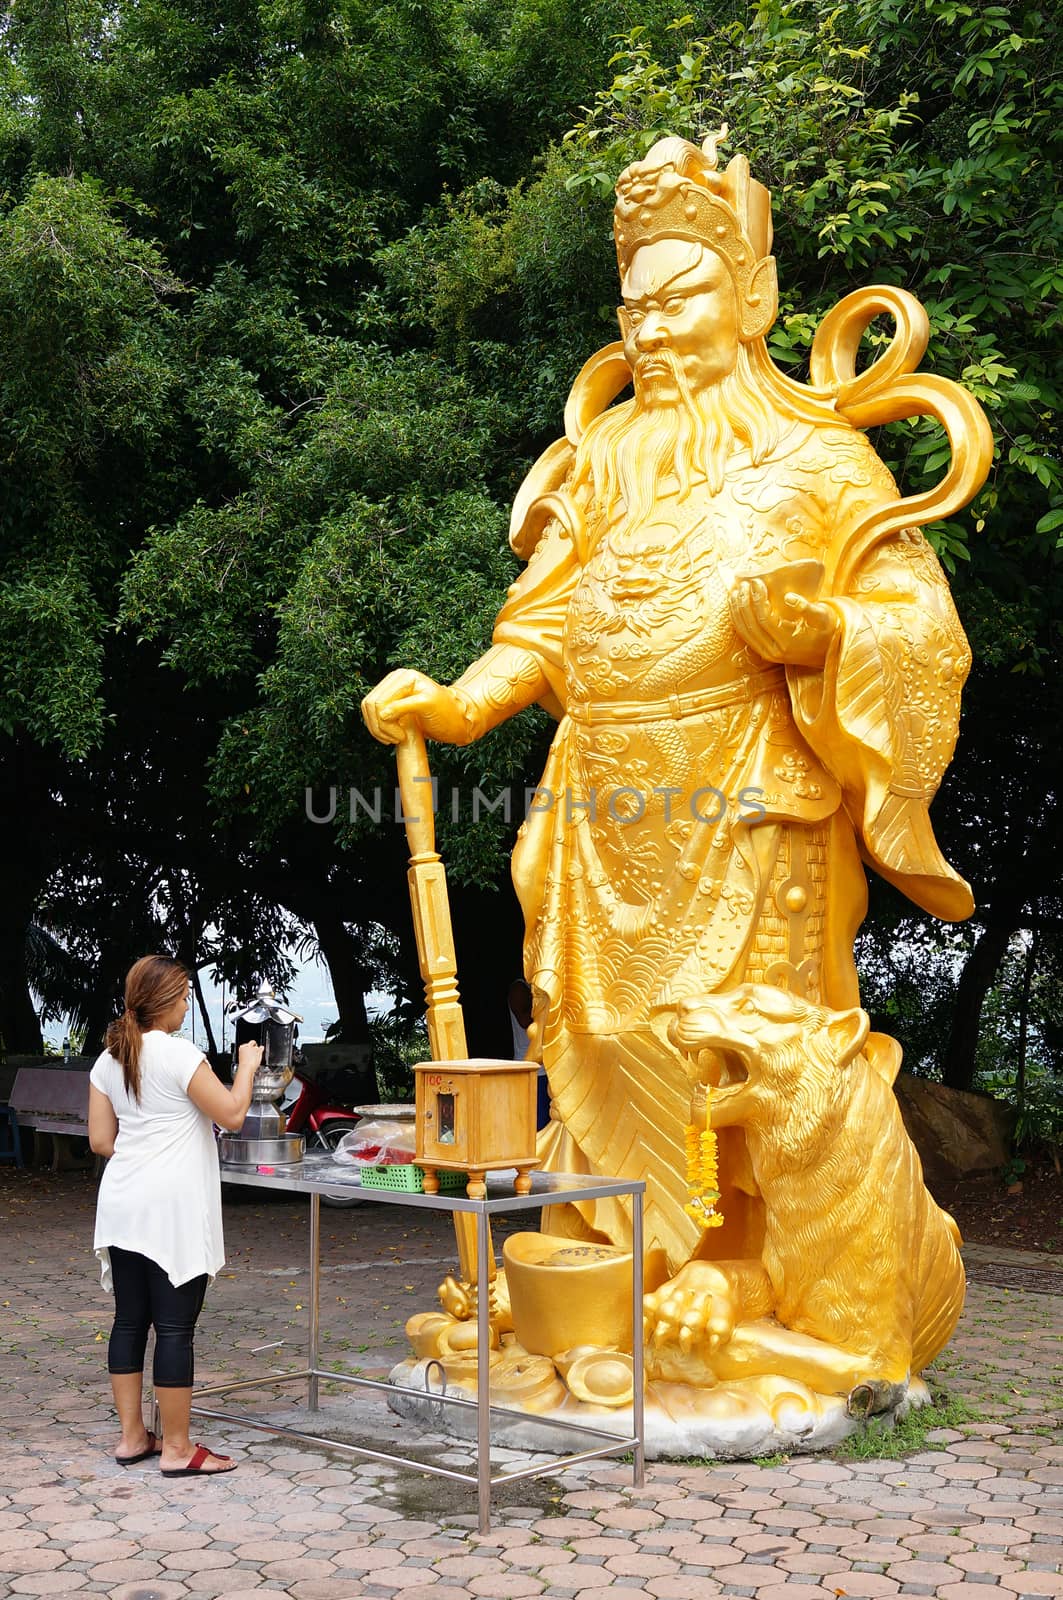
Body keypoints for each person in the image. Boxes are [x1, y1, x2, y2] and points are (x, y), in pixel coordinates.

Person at [362, 134, 987, 1283]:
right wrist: (458, 704)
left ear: (750, 296)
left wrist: (824, 631)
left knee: (734, 1049)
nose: (651, 328)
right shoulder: (596, 459)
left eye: (681, 295)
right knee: (597, 1038)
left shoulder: (822, 456)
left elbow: (919, 624)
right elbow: (540, 629)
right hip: (602, 794)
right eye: (633, 306)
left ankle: (748, 1271)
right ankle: (624, 1266)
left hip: (748, 788)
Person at [88, 954, 262, 1476]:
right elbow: (231, 1114)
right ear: (165, 1002)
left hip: (121, 1202)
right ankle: (179, 1448)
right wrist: (248, 1068)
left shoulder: (109, 1058)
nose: (187, 1005)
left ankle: (132, 1438)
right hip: (170, 1210)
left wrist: (141, 1160)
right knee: (174, 1327)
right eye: (184, 996)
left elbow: (101, 1140)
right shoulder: (178, 1054)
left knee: (128, 1321)